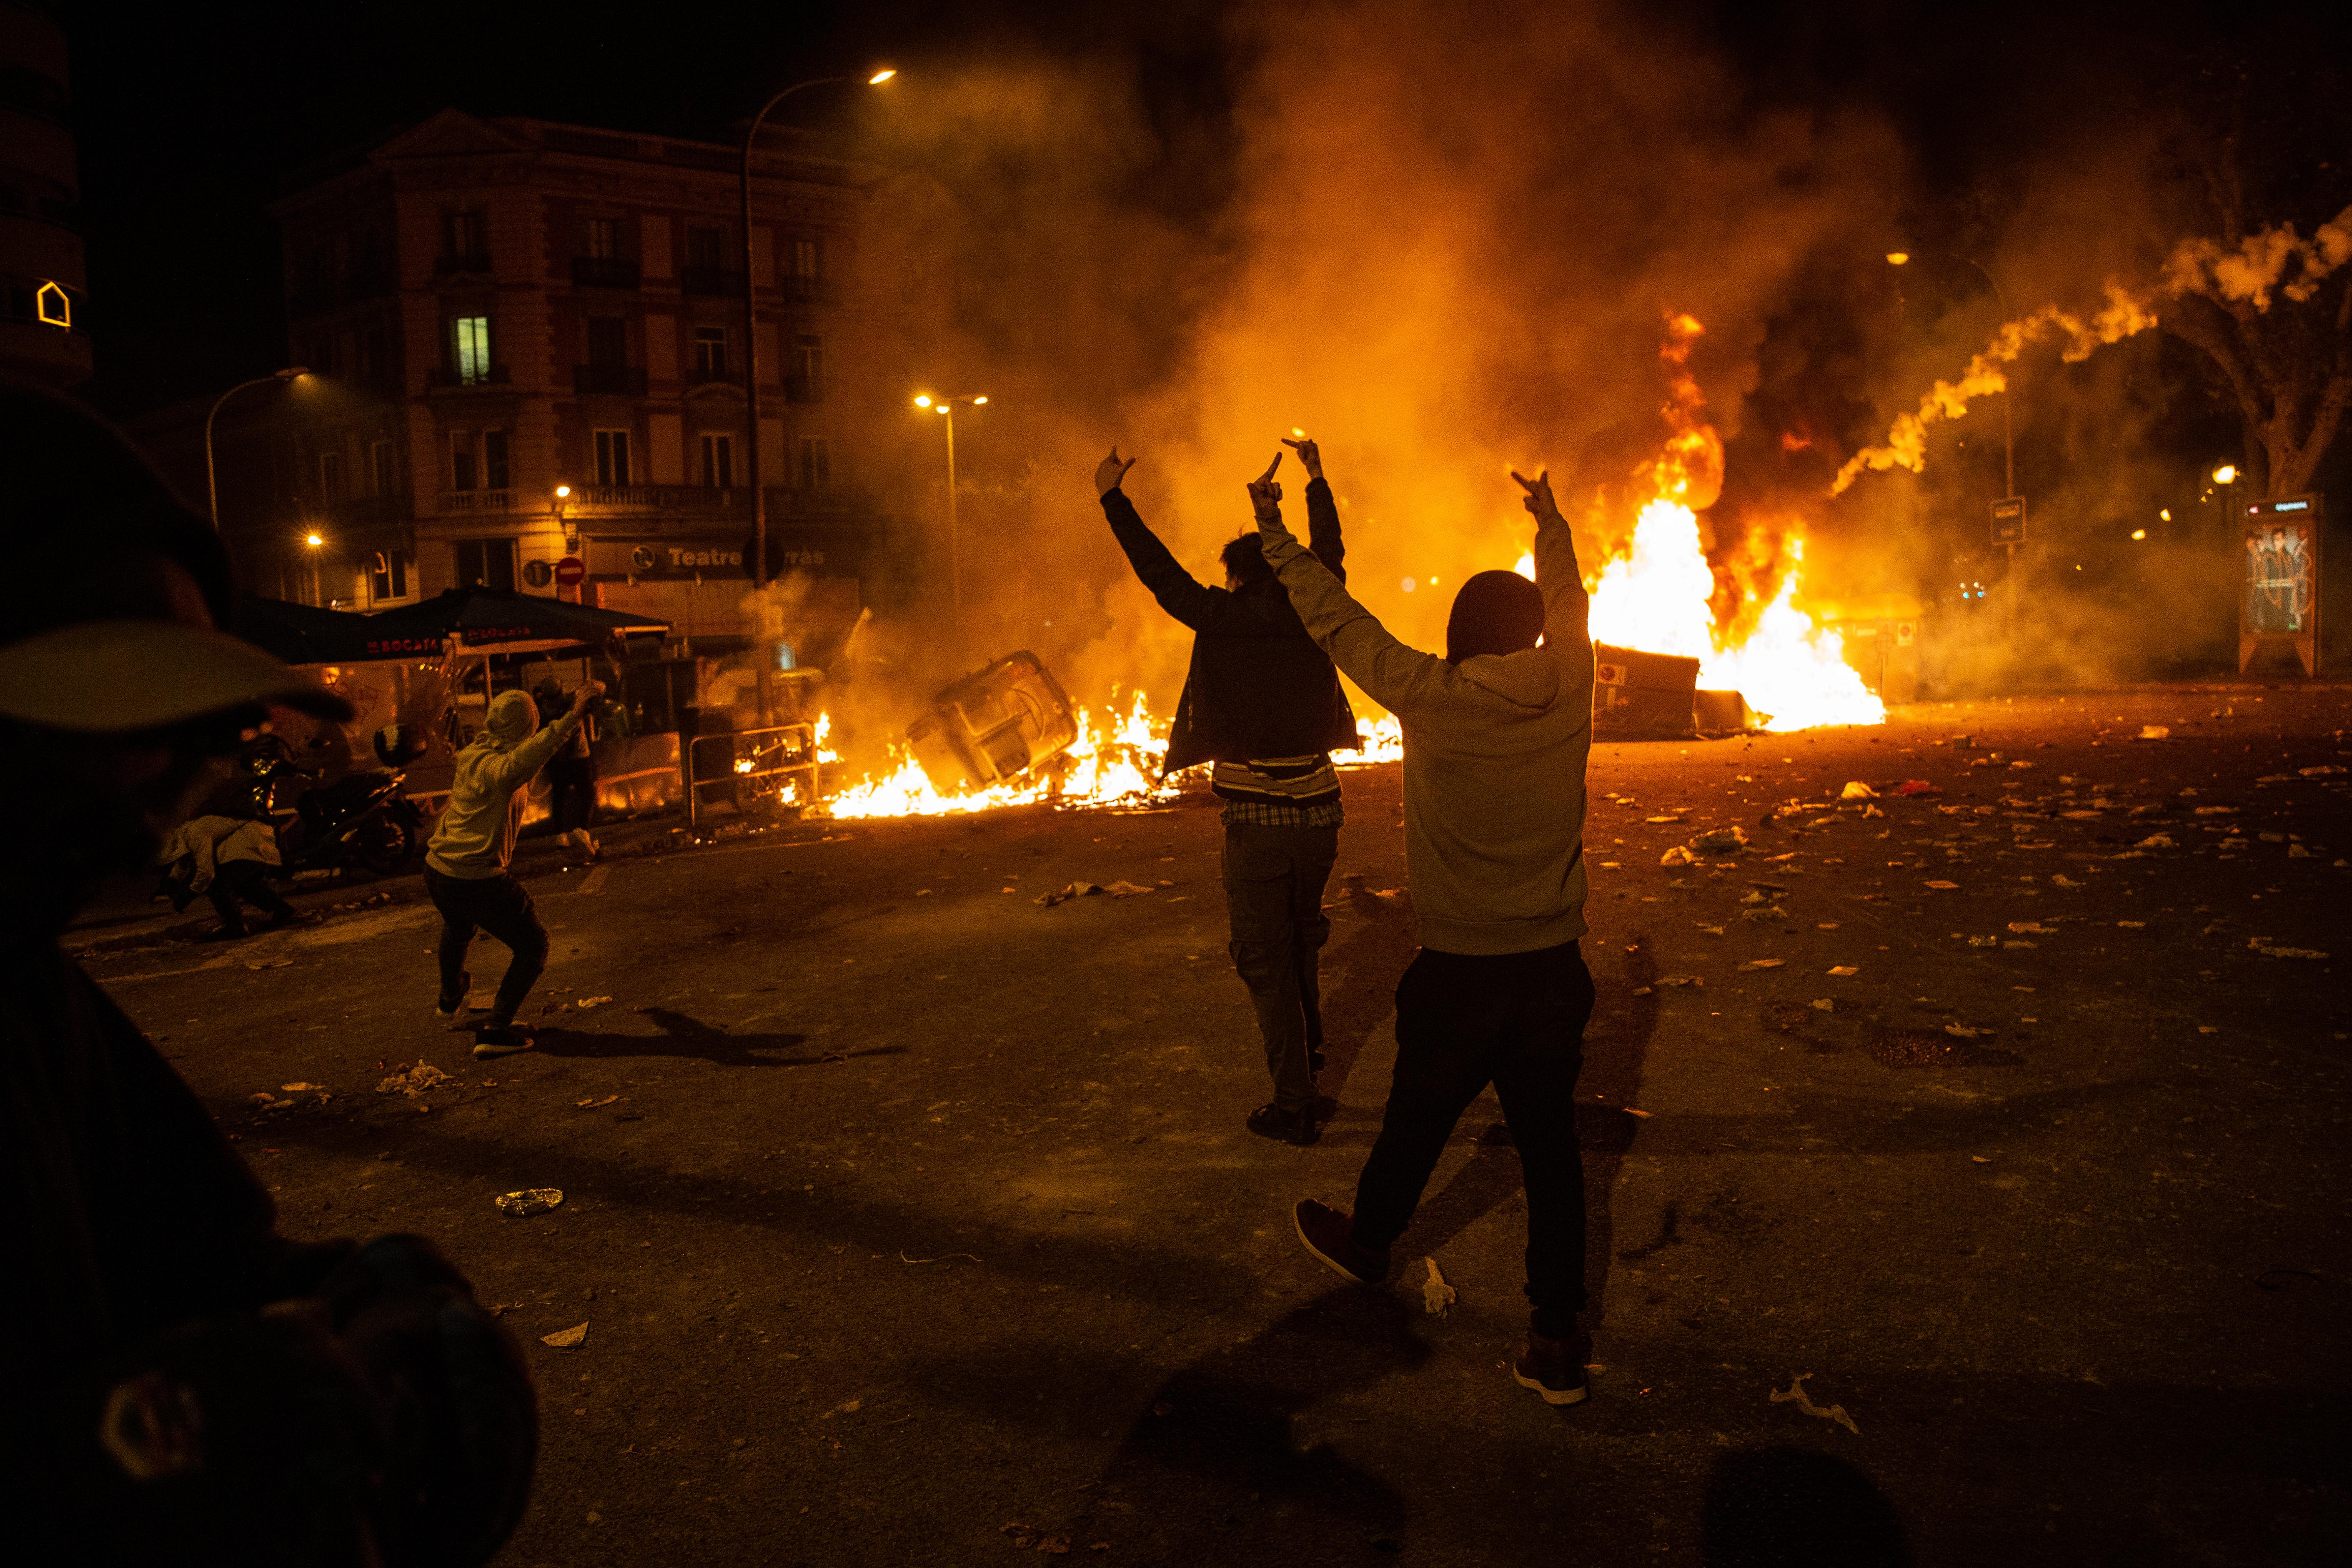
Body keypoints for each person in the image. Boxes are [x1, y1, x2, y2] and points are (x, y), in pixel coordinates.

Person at [0, 378, 536, 1564]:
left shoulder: (25, 987)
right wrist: (145, 1438)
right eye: (102, 743)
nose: (141, 825)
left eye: (175, 756)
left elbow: (191, 1249)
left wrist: (364, 1306)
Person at [1252, 458, 1601, 1407]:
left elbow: (1337, 620)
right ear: (1525, 631)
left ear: (1460, 634)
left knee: (1416, 1119)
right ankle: (1557, 1339)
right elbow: (1569, 604)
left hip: (1460, 972)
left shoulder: (1427, 691)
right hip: (1551, 971)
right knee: (1552, 1156)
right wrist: (1551, 523)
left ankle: (1369, 1245)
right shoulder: (1572, 679)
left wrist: (1274, 530)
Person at [1096, 438, 1358, 1146]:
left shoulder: (1219, 616)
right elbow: (1329, 555)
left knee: (1263, 960)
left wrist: (1112, 496)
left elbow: (1158, 572)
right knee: (1301, 944)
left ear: (1235, 577)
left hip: (1257, 819)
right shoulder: (1314, 609)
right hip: (1321, 814)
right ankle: (1307, 1072)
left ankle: (1293, 1101)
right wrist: (1315, 477)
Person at [424, 678, 603, 1057]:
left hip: (439, 870)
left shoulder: (477, 751)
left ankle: (451, 997)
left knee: (458, 929)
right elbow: (530, 756)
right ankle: (496, 1030)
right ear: (528, 724)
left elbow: (528, 753)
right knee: (532, 945)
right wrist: (573, 716)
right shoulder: (500, 767)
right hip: (475, 875)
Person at [532, 676, 602, 860]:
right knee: (587, 792)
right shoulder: (572, 702)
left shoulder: (542, 711)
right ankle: (583, 829)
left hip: (556, 756)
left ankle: (560, 836)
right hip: (579, 754)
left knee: (559, 795)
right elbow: (600, 689)